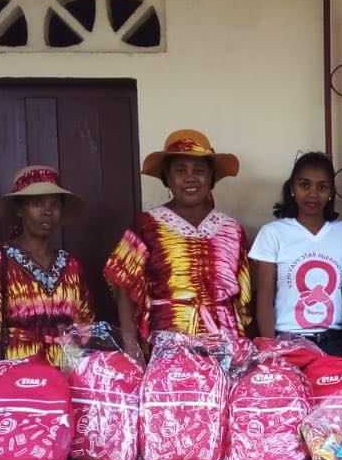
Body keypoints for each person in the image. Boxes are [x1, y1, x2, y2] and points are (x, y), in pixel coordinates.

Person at [104, 129, 251, 362]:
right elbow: (125, 288)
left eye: (199, 171)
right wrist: (132, 348)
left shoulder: (232, 230)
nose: (190, 178)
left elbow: (241, 300)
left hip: (224, 342)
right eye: (180, 171)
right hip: (167, 340)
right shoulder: (147, 225)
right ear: (167, 178)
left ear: (211, 177)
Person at [0, 165, 95, 365]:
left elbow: (83, 327)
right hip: (17, 375)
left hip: (65, 375)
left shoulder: (72, 266)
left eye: (54, 204)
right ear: (19, 210)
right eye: (38, 203)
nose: (47, 211)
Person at [249, 152, 342, 356]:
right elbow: (265, 300)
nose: (312, 194)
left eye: (322, 187)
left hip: (333, 343)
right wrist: (271, 348)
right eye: (304, 185)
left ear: (331, 192)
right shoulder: (273, 233)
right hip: (286, 342)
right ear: (292, 188)